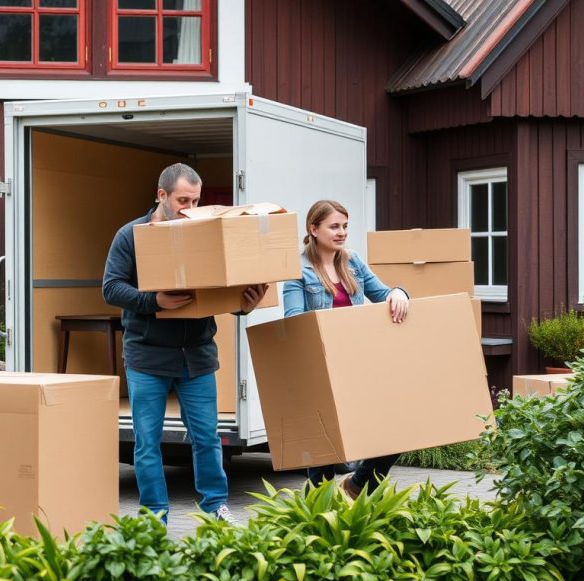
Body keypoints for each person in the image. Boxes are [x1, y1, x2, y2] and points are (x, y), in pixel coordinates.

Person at [103, 162, 269, 525]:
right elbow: (111, 288)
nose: (189, 208)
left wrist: (243, 305)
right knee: (147, 443)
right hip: (147, 356)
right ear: (161, 195)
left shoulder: (203, 233)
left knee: (207, 439)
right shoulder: (130, 236)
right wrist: (154, 302)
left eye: (195, 200)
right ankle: (154, 516)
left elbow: (218, 290)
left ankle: (215, 507)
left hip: (196, 355)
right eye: (182, 200)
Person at [282, 199, 409, 499]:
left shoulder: (353, 262)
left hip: (355, 367)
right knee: (323, 458)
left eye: (345, 226)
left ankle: (356, 486)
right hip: (319, 372)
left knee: (395, 430)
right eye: (334, 226)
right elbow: (293, 322)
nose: (341, 233)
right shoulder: (297, 270)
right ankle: (319, 517)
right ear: (313, 229)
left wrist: (400, 293)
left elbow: (383, 294)